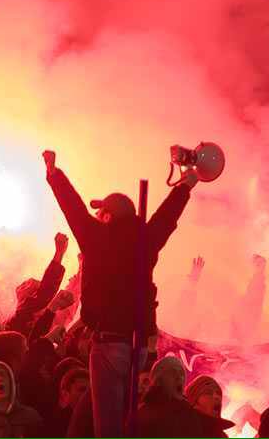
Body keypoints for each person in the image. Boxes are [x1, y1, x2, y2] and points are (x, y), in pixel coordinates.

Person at [43, 149, 197, 437]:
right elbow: (168, 216)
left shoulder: (96, 237)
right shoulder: (147, 238)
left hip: (107, 341)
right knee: (109, 412)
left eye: (100, 212)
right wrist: (186, 184)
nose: (97, 216)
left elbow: (73, 208)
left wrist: (54, 174)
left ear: (107, 215)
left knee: (108, 426)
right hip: (138, 346)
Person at [135, 356, 233, 437]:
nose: (179, 377)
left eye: (181, 373)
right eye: (173, 372)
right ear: (158, 380)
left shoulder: (188, 415)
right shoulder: (145, 414)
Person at [5, 233, 68, 337]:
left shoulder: (24, 315)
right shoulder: (21, 315)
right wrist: (59, 253)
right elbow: (45, 293)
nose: (30, 281)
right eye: (24, 284)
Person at [47, 367, 89, 438]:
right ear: (65, 394)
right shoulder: (56, 425)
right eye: (82, 390)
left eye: (89, 391)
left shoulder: (94, 419)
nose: (87, 395)